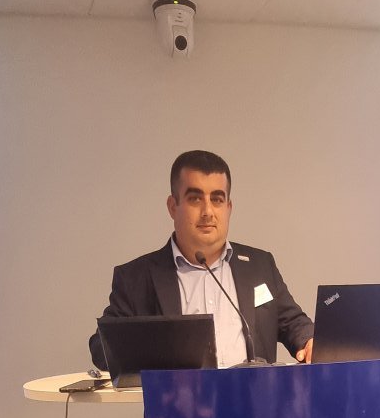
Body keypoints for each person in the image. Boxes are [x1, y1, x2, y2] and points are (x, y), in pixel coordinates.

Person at [89, 150, 313, 370]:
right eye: (195, 199)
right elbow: (102, 347)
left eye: (217, 199)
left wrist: (309, 342)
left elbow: (294, 323)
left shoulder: (260, 266)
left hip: (253, 394)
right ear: (173, 207)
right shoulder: (137, 277)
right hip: (179, 396)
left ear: (228, 208)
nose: (207, 212)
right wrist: (154, 348)